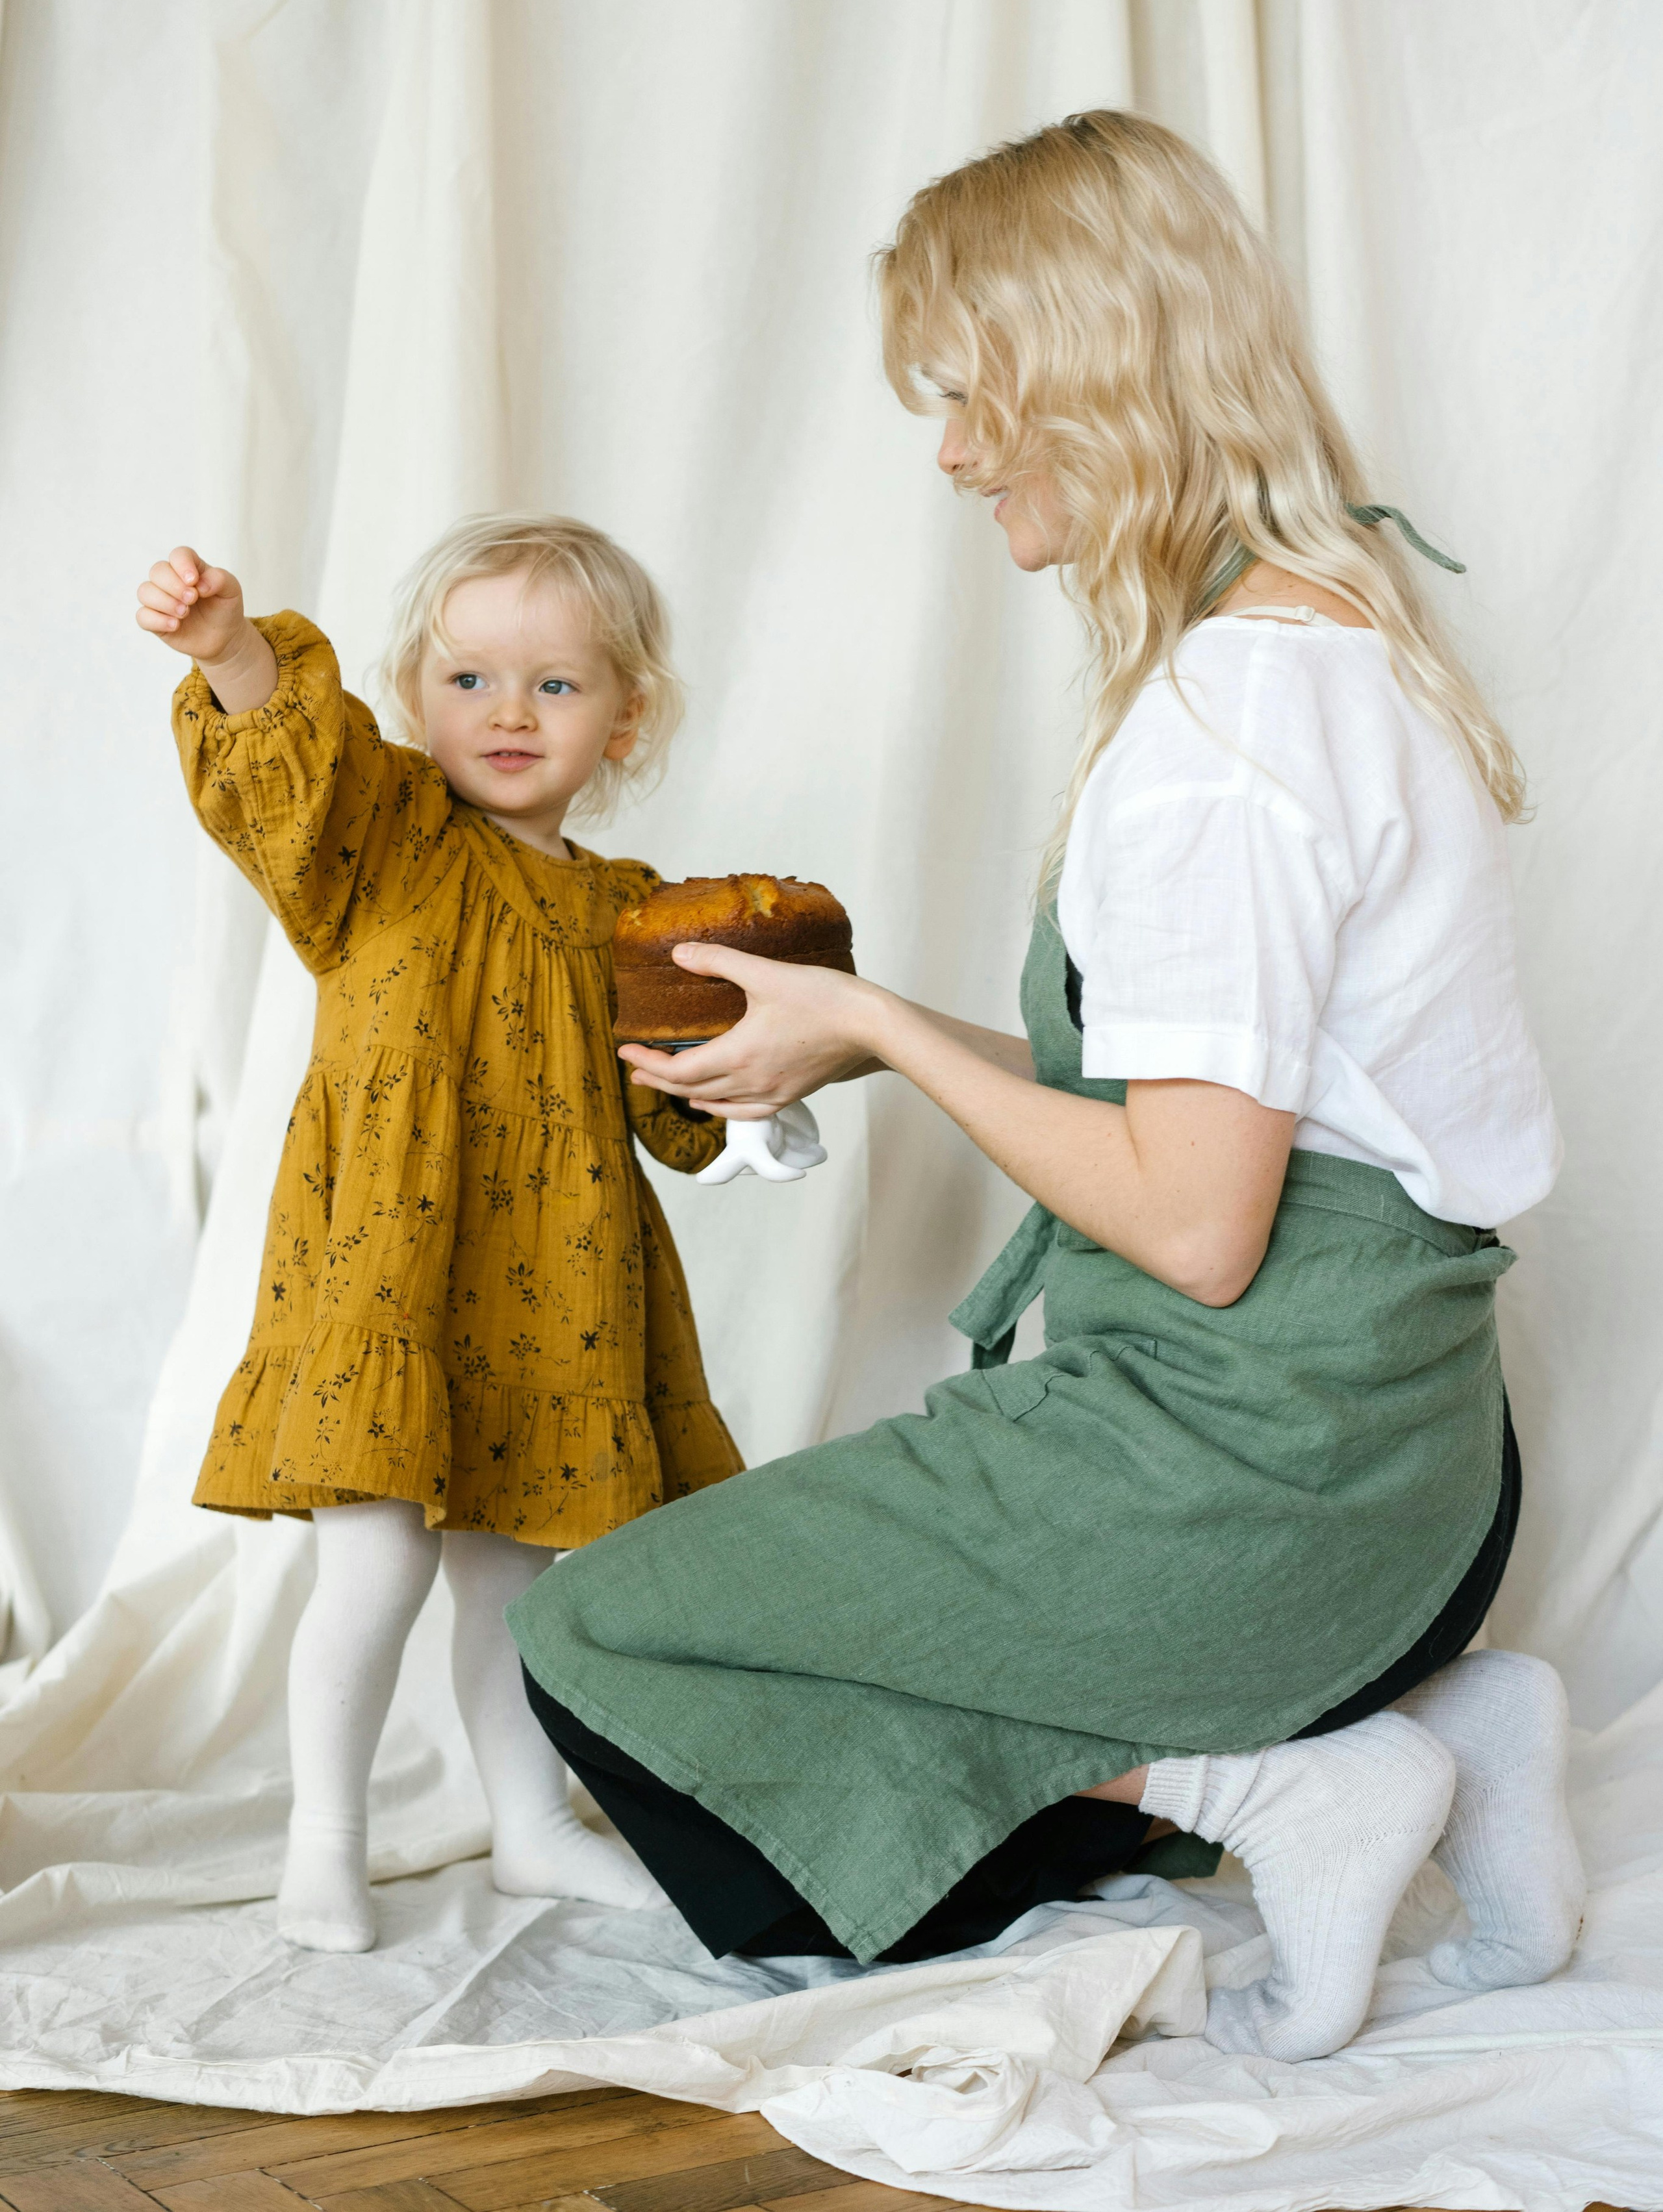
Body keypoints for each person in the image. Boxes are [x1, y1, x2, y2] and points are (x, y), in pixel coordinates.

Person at [506, 112, 1582, 2060]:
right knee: (836, 1619)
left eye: (967, 393)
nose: (949, 450)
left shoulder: (1216, 733)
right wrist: (860, 1024)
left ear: (1087, 369)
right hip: (1419, 1470)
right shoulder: (1350, 647)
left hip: (1262, 1487)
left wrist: (901, 1039)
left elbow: (1192, 1214)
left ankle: (1260, 1784)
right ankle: (1426, 1721)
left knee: (595, 1633)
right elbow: (1232, 1111)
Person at [133, 513, 743, 1952]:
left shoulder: (626, 914)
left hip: (554, 1288)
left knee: (514, 1580)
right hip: (387, 1276)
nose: (508, 714)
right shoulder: (386, 838)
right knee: (375, 1565)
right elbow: (293, 769)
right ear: (414, 695)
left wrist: (769, 1088)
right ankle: (321, 1841)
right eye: (468, 679)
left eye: (555, 684)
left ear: (625, 714)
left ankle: (529, 1829)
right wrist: (230, 653)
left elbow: (681, 1111)